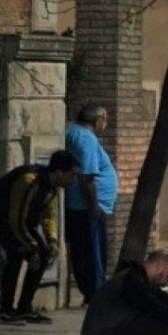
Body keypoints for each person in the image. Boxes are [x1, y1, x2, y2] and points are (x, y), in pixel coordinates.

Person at [0, 150, 80, 325]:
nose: (73, 180)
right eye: (72, 175)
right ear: (59, 172)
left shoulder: (53, 187)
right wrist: (31, 246)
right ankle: (5, 310)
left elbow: (49, 215)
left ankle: (25, 307)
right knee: (16, 252)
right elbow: (17, 217)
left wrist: (51, 240)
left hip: (19, 222)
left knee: (44, 254)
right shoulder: (29, 180)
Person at [64, 102, 118, 306]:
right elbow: (87, 176)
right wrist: (94, 206)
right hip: (86, 208)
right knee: (93, 253)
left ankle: (92, 291)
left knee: (85, 251)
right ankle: (95, 294)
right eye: (105, 119)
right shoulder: (86, 139)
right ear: (98, 120)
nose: (106, 123)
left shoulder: (73, 132)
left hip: (80, 206)